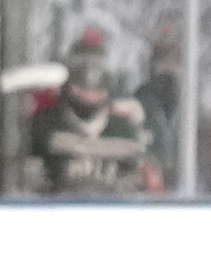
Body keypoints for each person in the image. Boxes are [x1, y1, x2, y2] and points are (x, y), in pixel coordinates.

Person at [37, 36, 153, 194]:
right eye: (81, 89)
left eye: (97, 60)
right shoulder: (45, 124)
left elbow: (144, 182)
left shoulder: (124, 128)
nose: (89, 67)